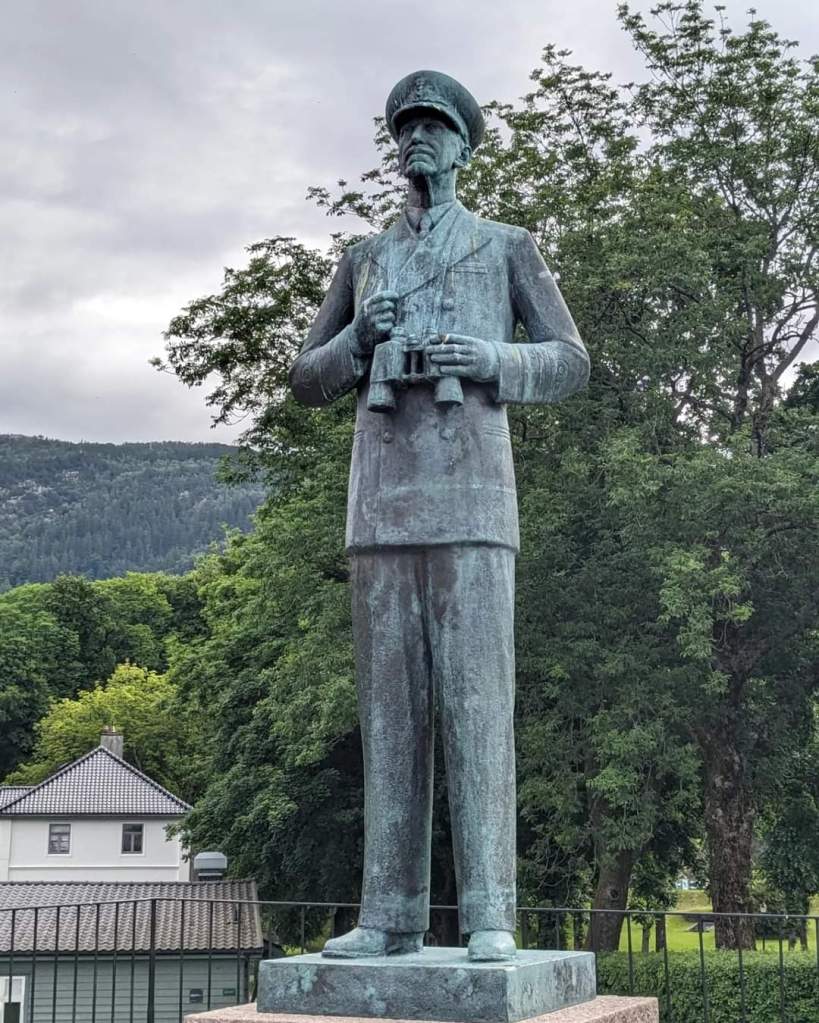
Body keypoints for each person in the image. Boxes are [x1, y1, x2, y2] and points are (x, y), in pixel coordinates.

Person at [289, 70, 590, 962]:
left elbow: (570, 360)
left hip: (471, 500)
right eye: (405, 129)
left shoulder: (505, 246)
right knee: (391, 718)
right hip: (381, 502)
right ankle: (389, 914)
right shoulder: (363, 257)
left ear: (463, 144)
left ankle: (491, 907)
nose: (416, 140)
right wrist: (359, 340)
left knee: (475, 705)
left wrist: (490, 355)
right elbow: (307, 378)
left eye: (432, 127)